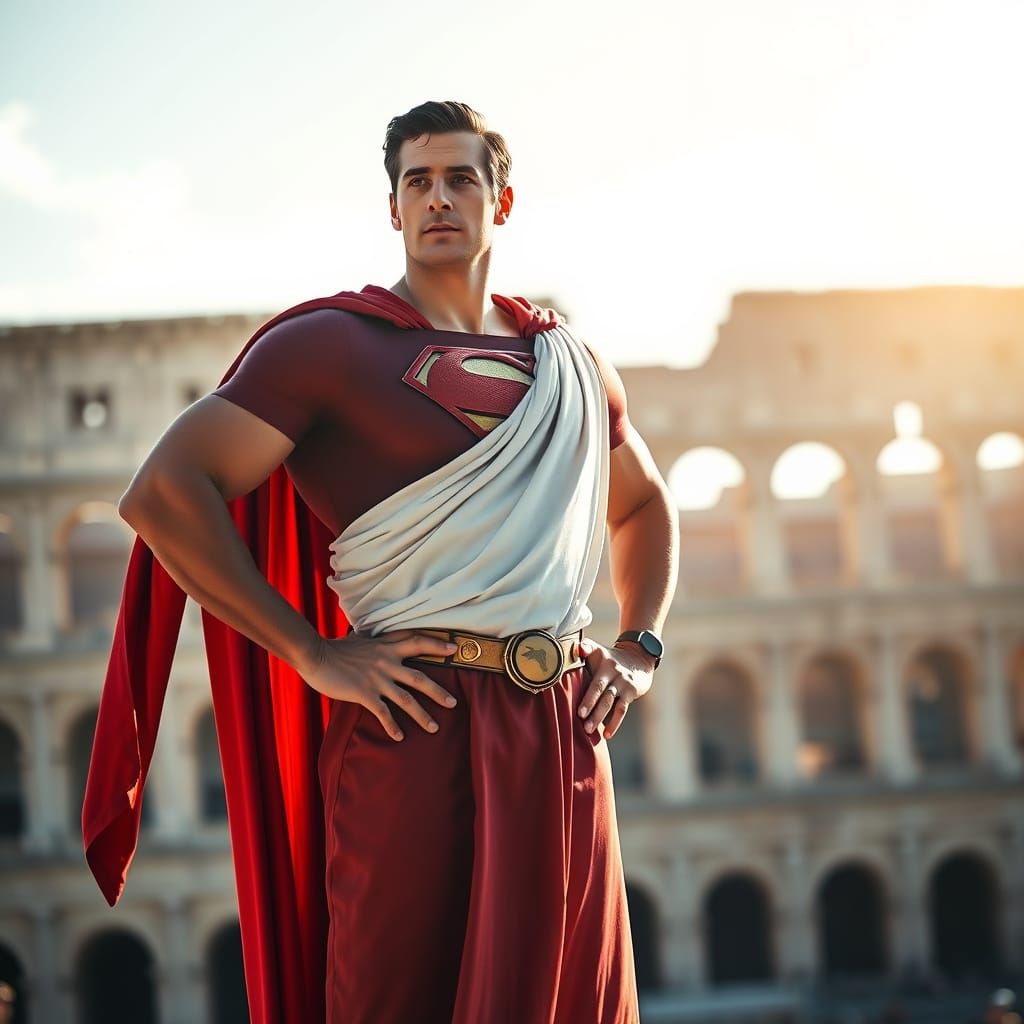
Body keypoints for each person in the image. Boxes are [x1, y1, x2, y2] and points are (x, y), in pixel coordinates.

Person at [83, 100, 678, 1023]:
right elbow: (164, 491)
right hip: (412, 722)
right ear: (393, 208)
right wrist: (310, 652)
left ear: (503, 201)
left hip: (559, 731)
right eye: (417, 182)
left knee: (571, 1000)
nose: (438, 198)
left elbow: (641, 505)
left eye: (461, 179)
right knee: (397, 999)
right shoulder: (327, 348)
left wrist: (639, 647)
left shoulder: (575, 364)